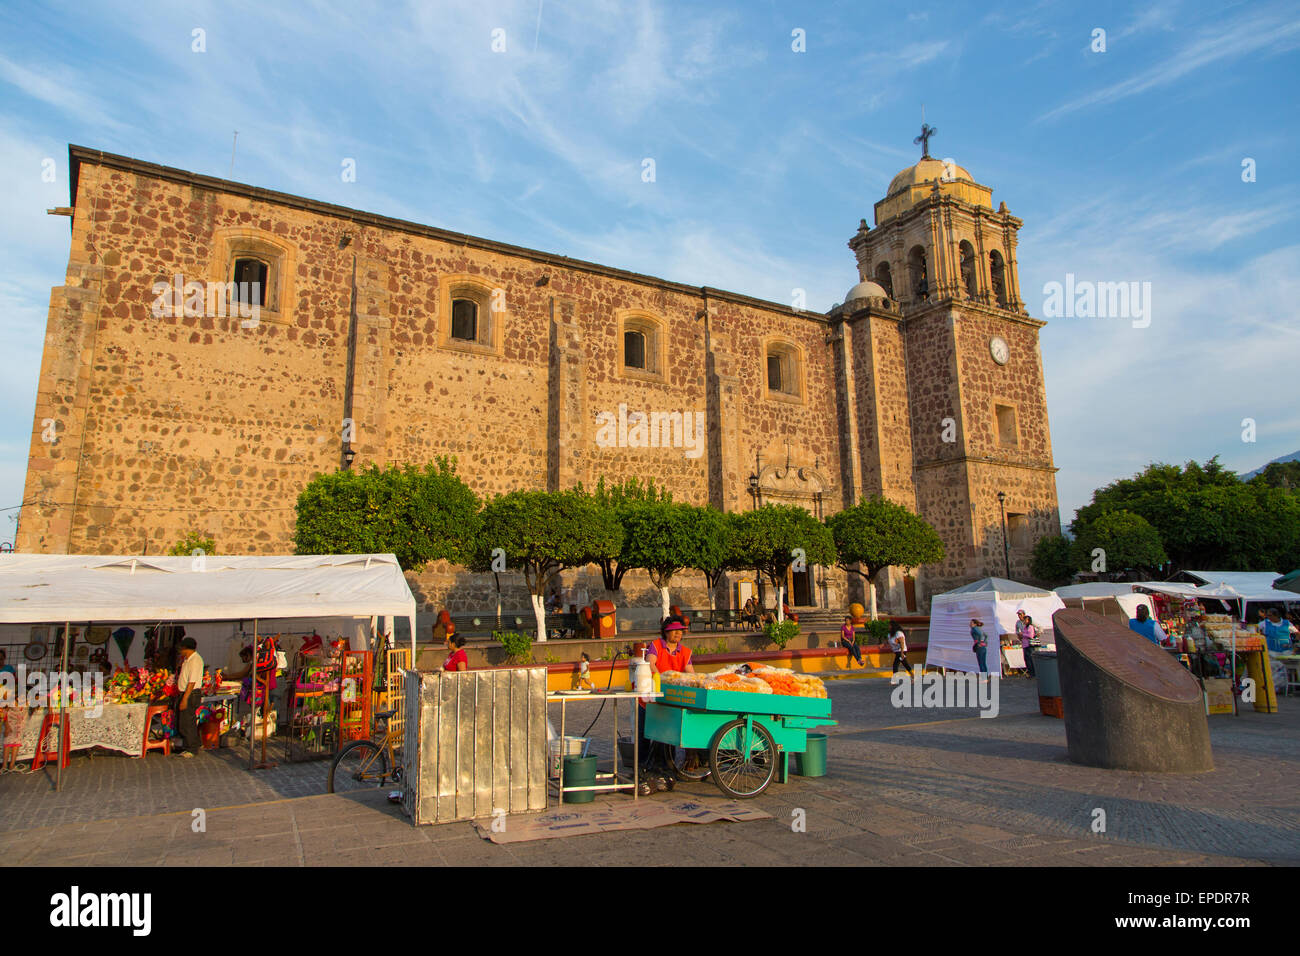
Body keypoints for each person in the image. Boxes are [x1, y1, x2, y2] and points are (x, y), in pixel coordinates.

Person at [175, 636, 203, 757]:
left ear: (186, 648)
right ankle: (193, 743)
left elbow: (192, 682)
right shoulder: (187, 660)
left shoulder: (195, 660)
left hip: (191, 694)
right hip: (184, 692)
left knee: (188, 722)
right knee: (184, 721)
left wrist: (185, 699)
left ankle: (192, 748)